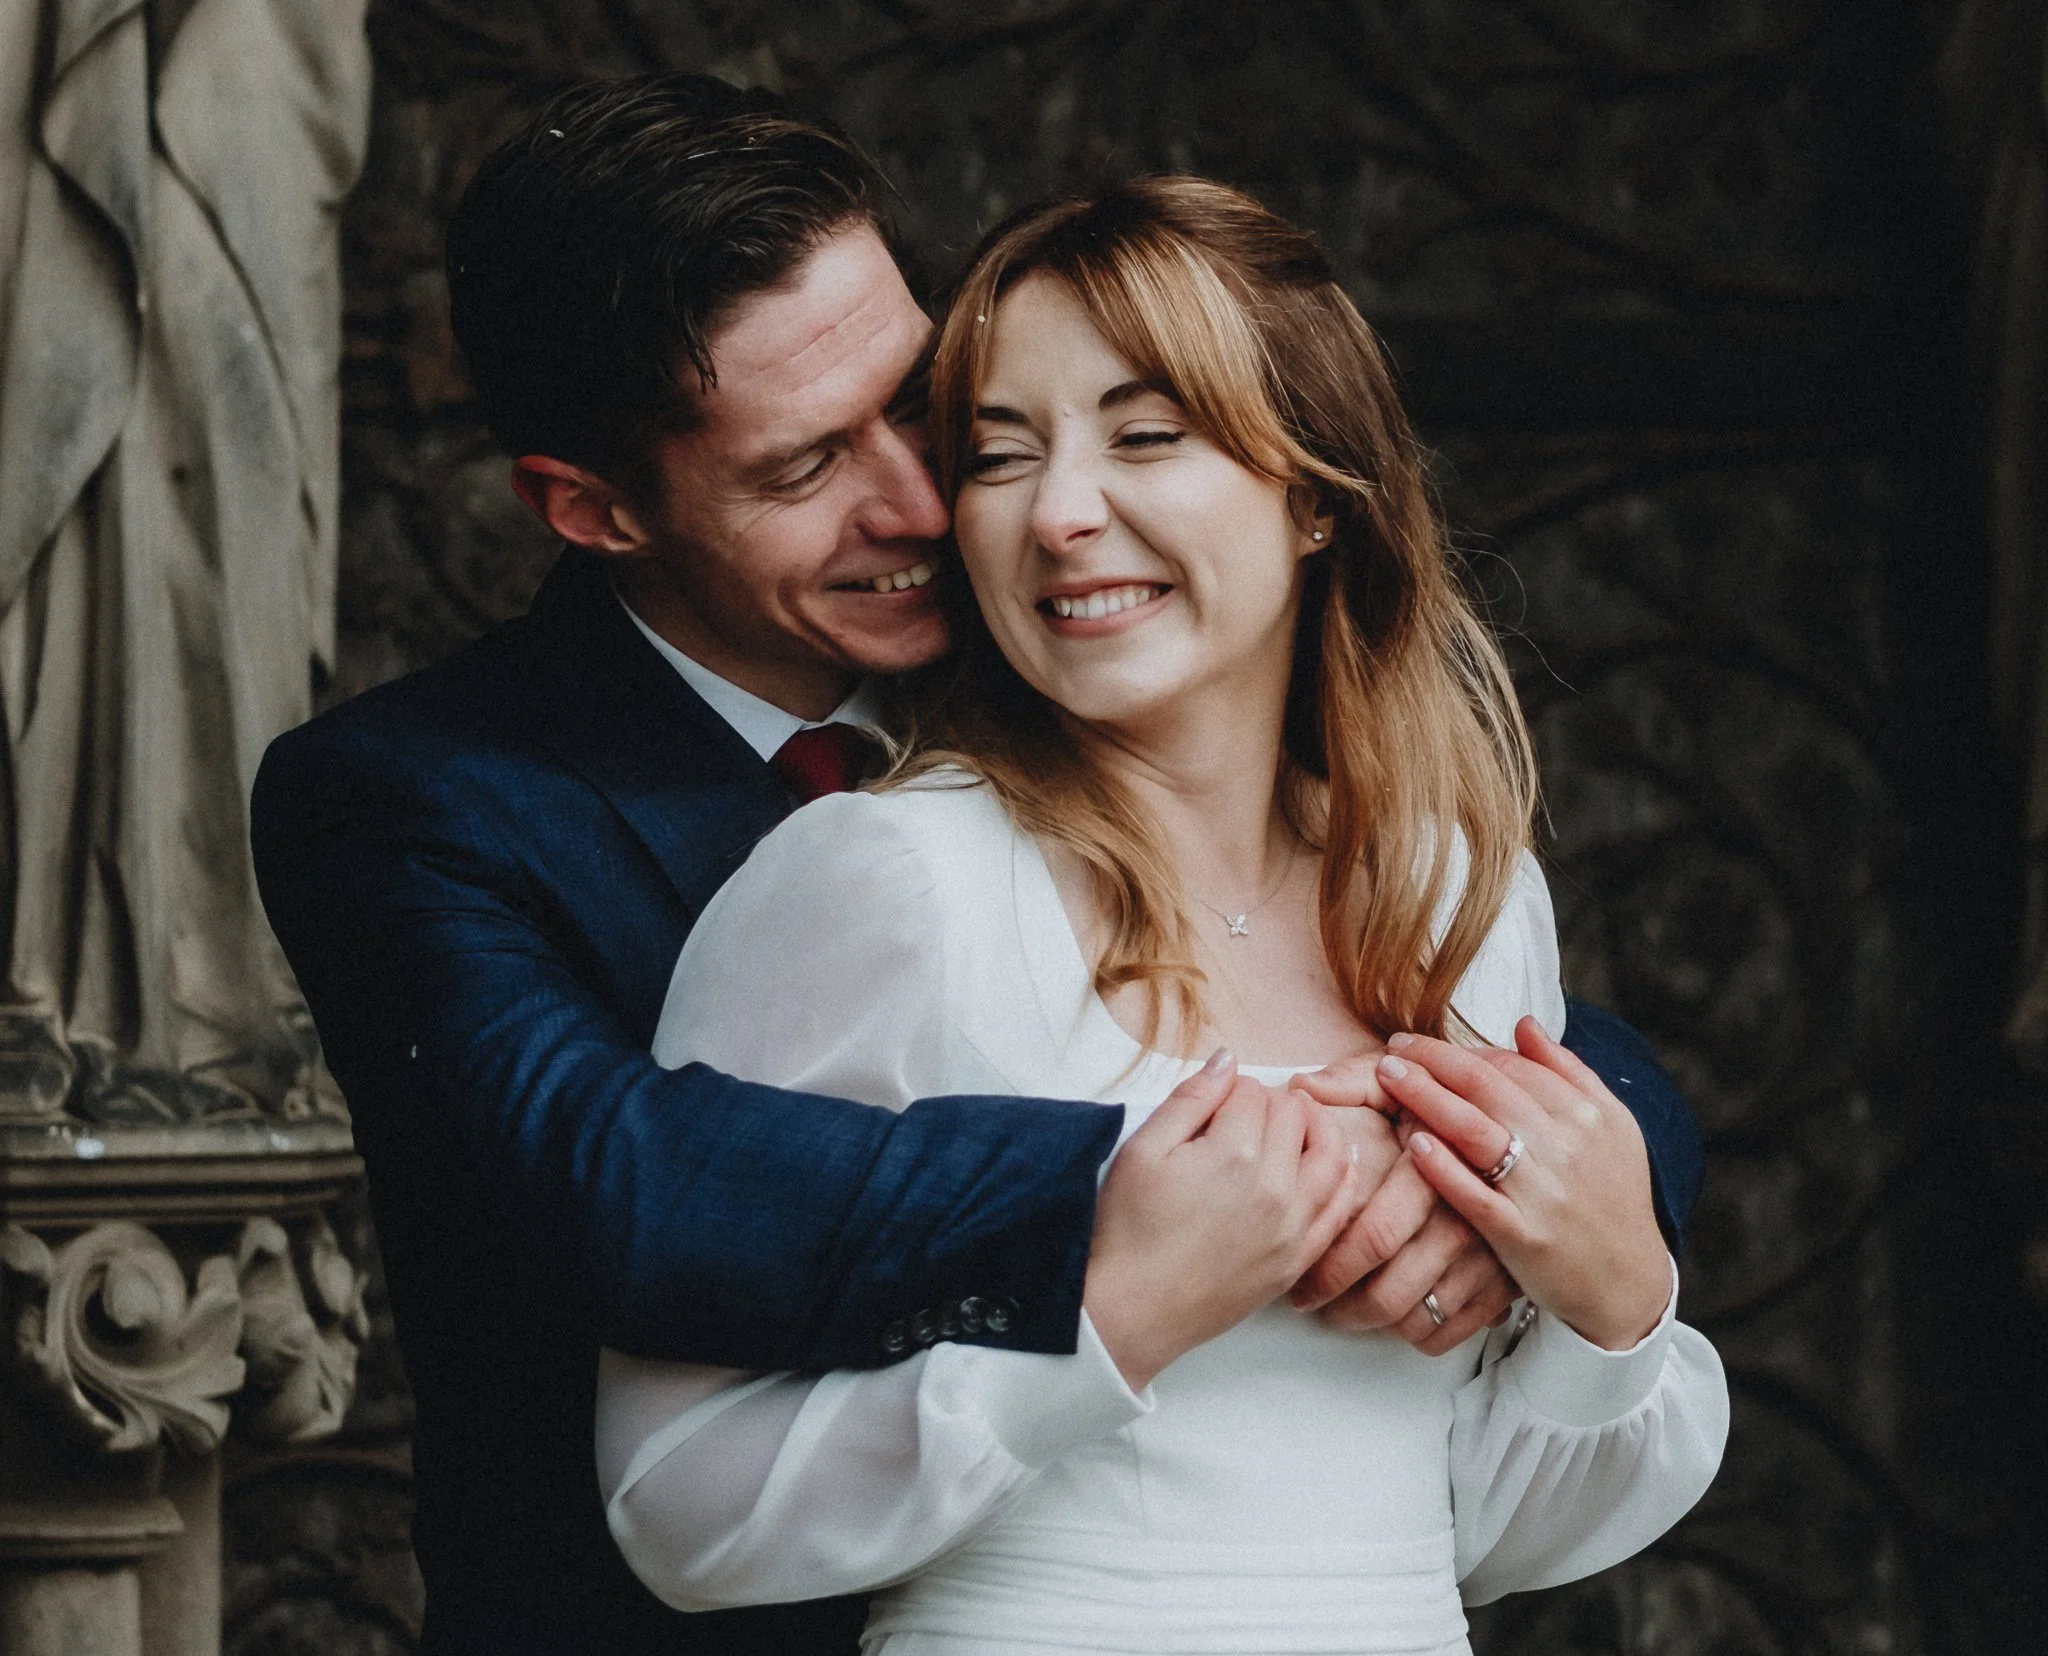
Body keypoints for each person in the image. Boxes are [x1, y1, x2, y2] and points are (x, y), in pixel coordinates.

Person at [250, 75, 1703, 1656]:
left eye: (929, 403)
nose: (932, 500)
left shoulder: (1105, 663)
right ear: (592, 511)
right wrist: (1201, 1185)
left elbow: (1524, 1087)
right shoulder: (422, 800)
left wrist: (1551, 1165)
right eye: (807, 468)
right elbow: (619, 1181)